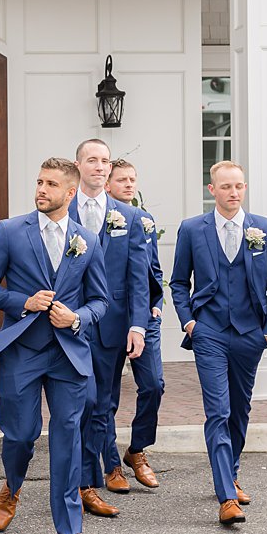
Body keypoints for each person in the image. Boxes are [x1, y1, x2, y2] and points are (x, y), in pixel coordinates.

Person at [0, 158, 109, 534]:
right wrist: (23, 302)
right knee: (20, 434)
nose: (41, 189)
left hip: (69, 353)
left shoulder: (88, 239)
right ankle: (12, 484)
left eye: (51, 184)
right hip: (24, 349)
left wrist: (77, 318)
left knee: (68, 438)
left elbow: (101, 301)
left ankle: (69, 529)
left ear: (70, 193)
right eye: (39, 182)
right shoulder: (11, 231)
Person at [170, 161, 267, 525]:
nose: (232, 193)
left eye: (238, 186)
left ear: (245, 188)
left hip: (250, 334)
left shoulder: (265, 229)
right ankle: (226, 497)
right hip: (209, 334)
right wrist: (189, 322)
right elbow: (177, 282)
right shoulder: (192, 229)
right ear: (212, 190)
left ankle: (231, 473)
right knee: (217, 410)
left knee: (240, 409)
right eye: (225, 187)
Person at [70, 138, 150, 518]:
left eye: (104, 161)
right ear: (78, 165)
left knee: (101, 405)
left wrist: (138, 324)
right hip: (67, 322)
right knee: (79, 403)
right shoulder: (60, 208)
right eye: (92, 160)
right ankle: (79, 481)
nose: (99, 167)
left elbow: (139, 278)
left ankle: (88, 485)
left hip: (112, 325)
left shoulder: (128, 217)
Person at [106, 158, 166, 490]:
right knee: (107, 396)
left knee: (154, 385)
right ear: (107, 185)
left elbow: (153, 269)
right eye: (122, 180)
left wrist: (155, 305)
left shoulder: (144, 220)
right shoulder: (98, 218)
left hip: (143, 316)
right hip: (109, 317)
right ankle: (111, 463)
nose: (129, 184)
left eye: (133, 179)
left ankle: (137, 450)